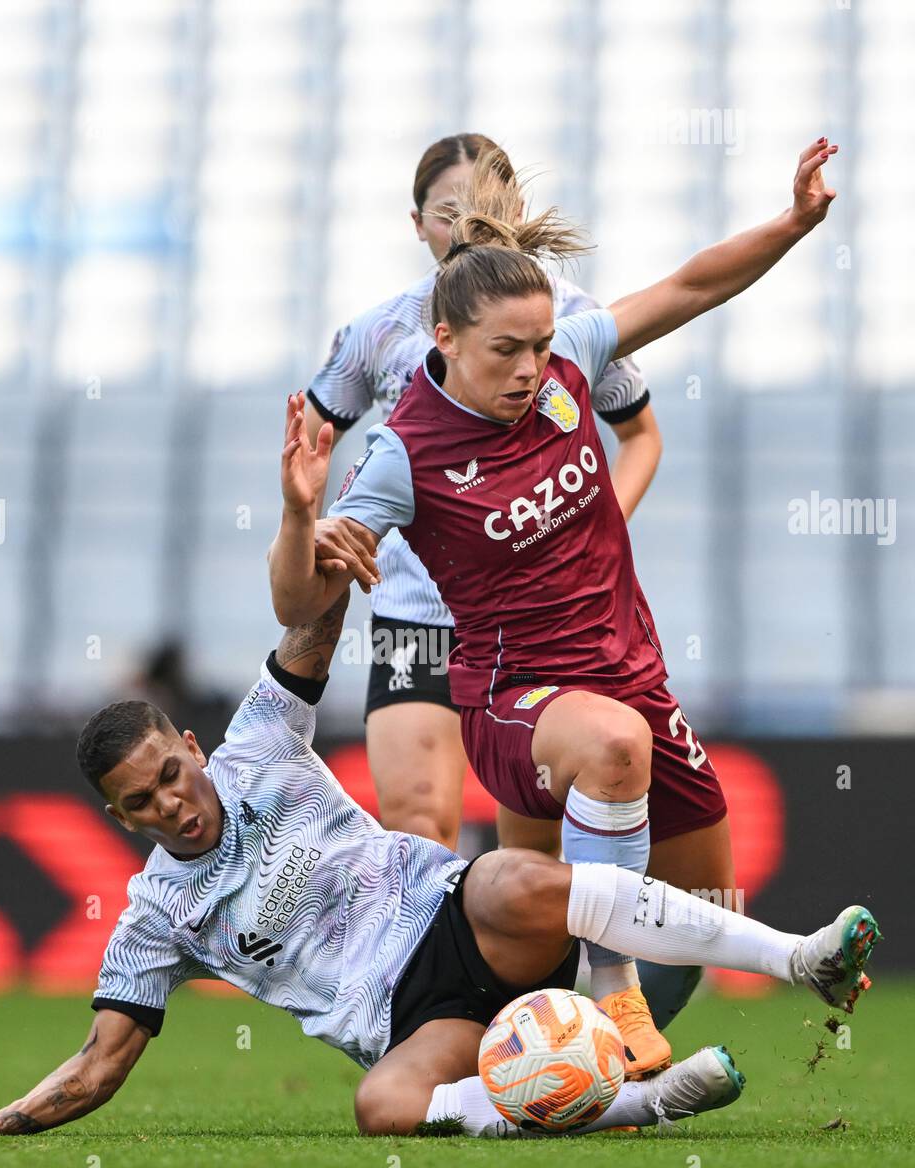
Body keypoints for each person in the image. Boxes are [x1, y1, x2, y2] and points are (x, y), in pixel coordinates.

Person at [0, 396, 879, 1142]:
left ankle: (798, 956)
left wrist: (314, 515)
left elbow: (312, 631)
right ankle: (643, 1102)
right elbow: (100, 1061)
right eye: (139, 800)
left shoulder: (256, 743)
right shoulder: (156, 915)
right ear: (122, 819)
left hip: (459, 918)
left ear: (189, 748)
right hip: (412, 1016)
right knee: (383, 1106)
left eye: (166, 771)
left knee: (504, 874)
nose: (168, 801)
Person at [272, 137, 843, 1075]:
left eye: (541, 345)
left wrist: (791, 222)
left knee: (698, 906)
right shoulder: (403, 456)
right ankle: (581, 997)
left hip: (629, 671)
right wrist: (301, 520)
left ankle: (586, 1069)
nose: (532, 367)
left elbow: (691, 287)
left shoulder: (568, 360)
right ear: (444, 341)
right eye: (508, 349)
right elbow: (300, 603)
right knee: (602, 766)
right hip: (515, 696)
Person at [306, 133, 661, 864]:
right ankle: (451, 980)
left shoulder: (568, 320)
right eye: (447, 210)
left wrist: (585, 533)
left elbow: (642, 436)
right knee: (417, 829)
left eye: (488, 207)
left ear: (517, 210)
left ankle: (580, 975)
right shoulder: (378, 332)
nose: (464, 223)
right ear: (417, 225)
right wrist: (318, 531)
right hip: (416, 615)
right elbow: (311, 445)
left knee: (544, 849)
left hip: (538, 621)